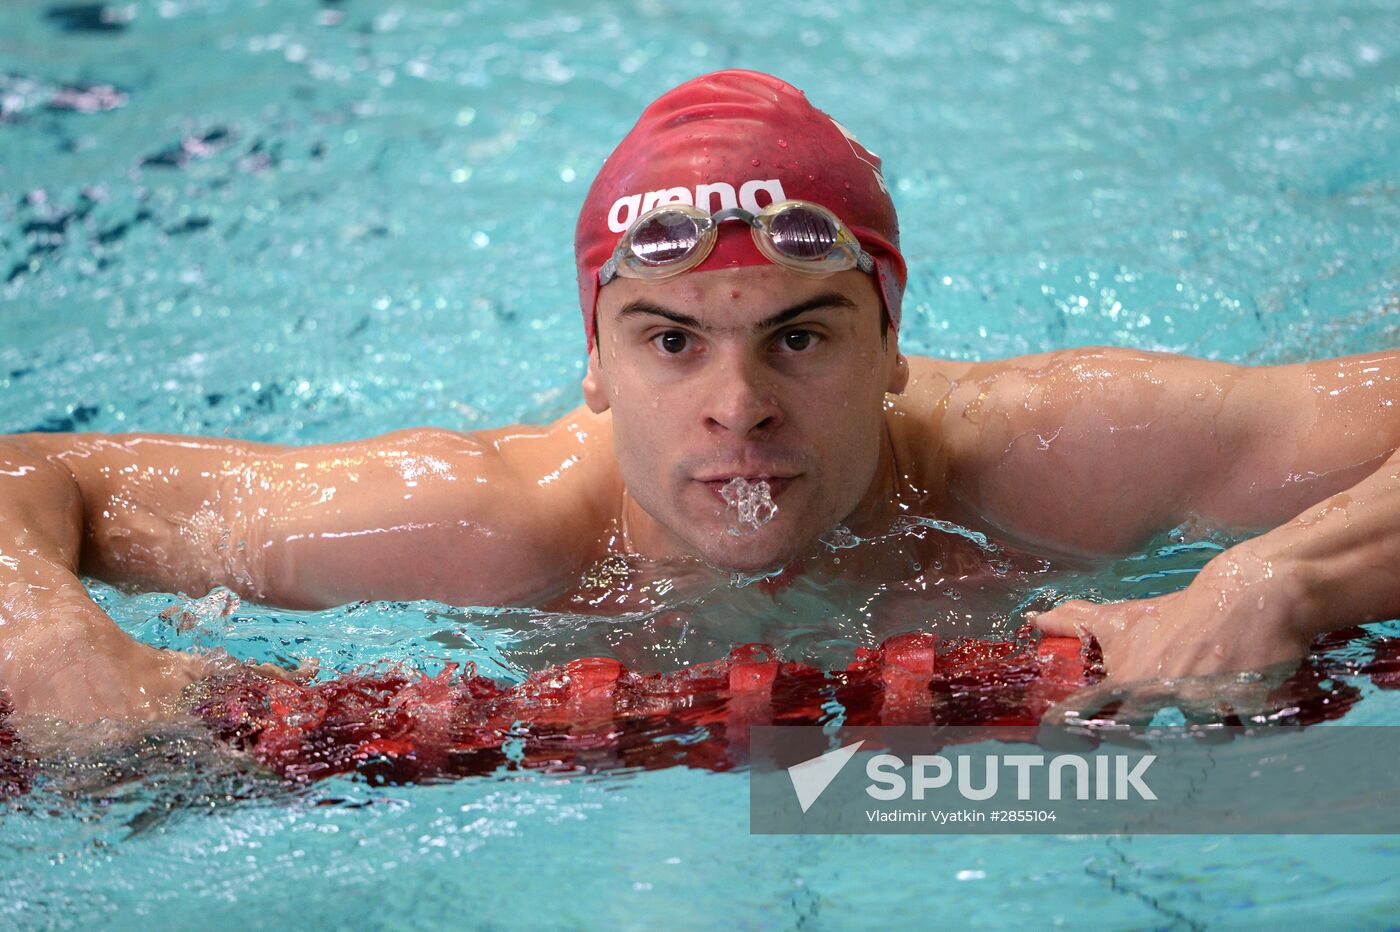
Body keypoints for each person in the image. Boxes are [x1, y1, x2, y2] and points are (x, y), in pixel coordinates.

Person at [2, 70, 1397, 725]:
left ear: (896, 340)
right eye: (672, 343)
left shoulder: (1063, 454)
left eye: (802, 337)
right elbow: (26, 471)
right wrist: (56, 645)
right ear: (593, 365)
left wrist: (1278, 580)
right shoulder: (484, 526)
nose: (738, 405)